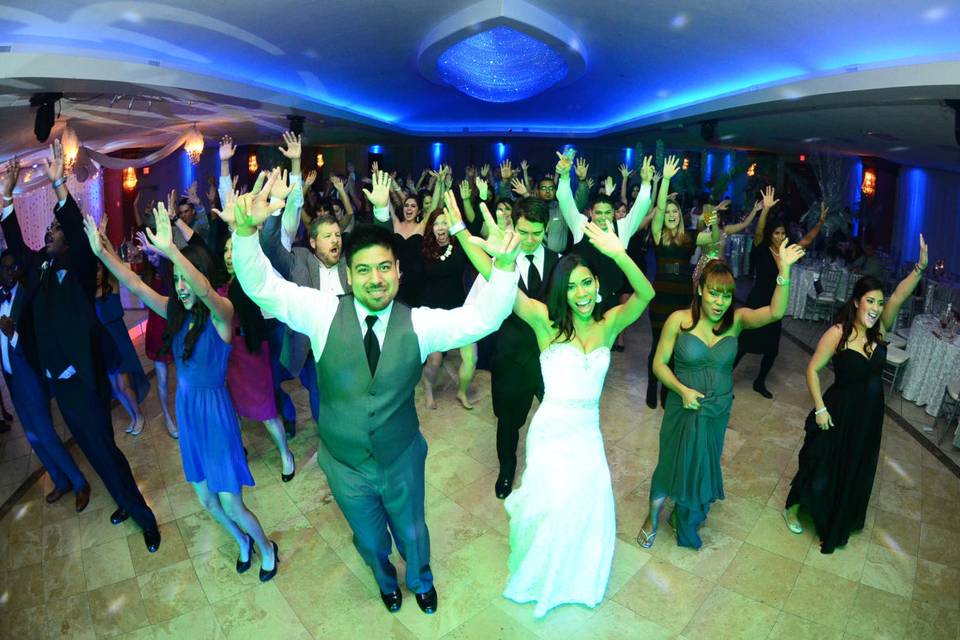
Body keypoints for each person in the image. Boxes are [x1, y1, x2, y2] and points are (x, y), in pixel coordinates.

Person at [233, 172, 520, 615]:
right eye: (364, 270)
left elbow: (481, 319)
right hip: (344, 465)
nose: (375, 278)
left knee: (412, 532)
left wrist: (503, 269)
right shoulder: (322, 312)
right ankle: (386, 581)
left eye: (385, 267)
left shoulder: (420, 323)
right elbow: (265, 290)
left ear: (399, 272)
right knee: (368, 539)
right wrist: (247, 234)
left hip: (401, 458)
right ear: (350, 275)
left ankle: (421, 580)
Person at [453, 195, 655, 617]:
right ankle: (542, 571)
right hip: (550, 432)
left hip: (587, 435)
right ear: (563, 291)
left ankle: (577, 575)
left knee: (585, 504)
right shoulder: (545, 321)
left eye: (588, 284)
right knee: (551, 505)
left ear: (598, 288)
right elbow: (495, 274)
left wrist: (620, 251)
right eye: (573, 286)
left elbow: (646, 292)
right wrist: (459, 232)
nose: (581, 293)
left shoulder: (609, 323)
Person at [84, 187, 282, 581]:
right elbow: (139, 287)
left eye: (185, 279)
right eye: (176, 280)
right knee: (206, 500)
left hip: (215, 414)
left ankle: (265, 547)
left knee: (232, 501)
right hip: (189, 413)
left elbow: (206, 290)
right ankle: (241, 543)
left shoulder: (222, 314)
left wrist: (173, 251)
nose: (180, 286)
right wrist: (100, 252)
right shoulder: (175, 314)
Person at [0, 141, 159, 551]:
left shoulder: (79, 265)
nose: (49, 234)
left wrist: (58, 187)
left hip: (84, 378)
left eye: (54, 231)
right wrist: (6, 201)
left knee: (104, 450)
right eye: (49, 230)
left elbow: (71, 225)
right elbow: (17, 246)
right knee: (93, 447)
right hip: (59, 384)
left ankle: (144, 516)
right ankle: (123, 500)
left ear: (67, 242)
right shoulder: (40, 267)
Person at [638, 246, 804, 550]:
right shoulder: (680, 320)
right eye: (714, 293)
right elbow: (659, 364)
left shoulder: (737, 320)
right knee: (671, 463)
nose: (720, 302)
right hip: (682, 406)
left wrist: (785, 272)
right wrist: (683, 390)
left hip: (717, 410)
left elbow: (776, 312)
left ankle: (684, 515)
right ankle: (652, 518)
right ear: (700, 289)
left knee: (702, 463)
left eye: (726, 295)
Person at [783, 235, 928, 553]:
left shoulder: (880, 330)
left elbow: (898, 297)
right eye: (870, 301)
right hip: (838, 410)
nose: (876, 308)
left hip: (869, 414)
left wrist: (919, 268)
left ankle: (840, 515)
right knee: (822, 461)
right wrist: (820, 408)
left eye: (879, 302)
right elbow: (812, 370)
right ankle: (793, 507)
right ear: (856, 302)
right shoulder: (839, 333)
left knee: (855, 464)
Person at [0, 161, 89, 508]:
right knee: (34, 437)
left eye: (9, 268)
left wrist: (15, 335)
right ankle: (61, 480)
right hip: (11, 378)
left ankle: (79, 481)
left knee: (47, 433)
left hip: (31, 373)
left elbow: (35, 334)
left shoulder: (29, 292)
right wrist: (5, 195)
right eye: (1, 269)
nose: (5, 273)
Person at [476, 198, 561, 499]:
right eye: (524, 232)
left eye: (536, 233)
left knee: (556, 416)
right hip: (510, 358)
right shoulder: (502, 261)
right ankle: (506, 469)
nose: (529, 240)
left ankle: (552, 471)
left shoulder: (558, 261)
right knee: (508, 422)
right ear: (514, 224)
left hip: (548, 358)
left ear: (546, 228)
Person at [644, 156, 725, 409]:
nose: (669, 214)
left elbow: (712, 241)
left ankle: (668, 390)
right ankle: (651, 384)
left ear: (679, 216)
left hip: (681, 300)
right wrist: (666, 180)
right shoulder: (657, 235)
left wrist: (712, 223)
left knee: (677, 346)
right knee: (658, 343)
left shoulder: (690, 237)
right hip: (660, 297)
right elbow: (658, 208)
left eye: (673, 211)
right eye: (666, 211)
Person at [734, 191, 827, 399]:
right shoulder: (761, 248)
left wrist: (820, 222)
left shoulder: (787, 252)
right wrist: (765, 209)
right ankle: (725, 379)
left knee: (771, 349)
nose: (780, 237)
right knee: (743, 344)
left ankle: (760, 382)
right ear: (770, 234)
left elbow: (807, 240)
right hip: (757, 301)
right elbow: (758, 231)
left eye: (783, 233)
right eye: (776, 233)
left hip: (776, 304)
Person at [221, 236, 296, 482]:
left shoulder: (250, 280)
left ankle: (286, 455)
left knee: (265, 409)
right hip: (232, 355)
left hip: (252, 352)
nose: (229, 255)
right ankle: (238, 448)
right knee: (234, 407)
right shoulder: (225, 282)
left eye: (234, 249)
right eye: (226, 250)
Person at [556, 150, 653, 314]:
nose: (602, 217)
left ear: (613, 214)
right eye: (598, 213)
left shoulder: (622, 227)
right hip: (583, 296)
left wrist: (646, 183)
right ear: (591, 213)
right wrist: (565, 177)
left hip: (612, 299)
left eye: (607, 213)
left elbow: (641, 207)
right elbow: (565, 201)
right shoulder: (581, 225)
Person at [419, 208, 477, 410]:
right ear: (431, 228)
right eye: (436, 224)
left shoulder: (460, 246)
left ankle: (462, 392)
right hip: (434, 312)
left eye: (444, 223)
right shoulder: (424, 250)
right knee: (434, 360)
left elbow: (476, 232)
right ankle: (428, 388)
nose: (440, 227)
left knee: (471, 358)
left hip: (459, 310)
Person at [95, 258, 150, 436]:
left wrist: (102, 243)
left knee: (124, 384)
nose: (96, 274)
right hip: (104, 344)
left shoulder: (111, 284)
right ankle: (134, 417)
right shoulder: (88, 293)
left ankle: (139, 416)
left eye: (98, 270)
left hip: (119, 341)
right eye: (93, 271)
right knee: (116, 388)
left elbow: (115, 262)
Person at [135, 231, 179, 438]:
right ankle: (167, 416)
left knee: (183, 377)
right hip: (157, 331)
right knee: (161, 380)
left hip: (175, 329)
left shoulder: (172, 272)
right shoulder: (148, 276)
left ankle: (181, 413)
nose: (152, 258)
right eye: (149, 255)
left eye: (155, 253)